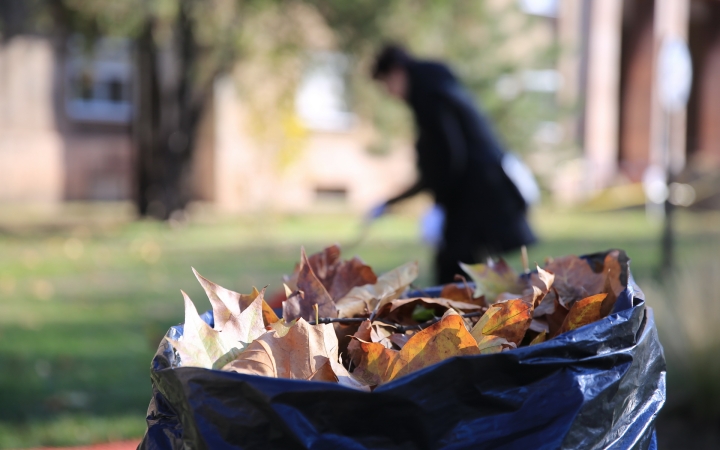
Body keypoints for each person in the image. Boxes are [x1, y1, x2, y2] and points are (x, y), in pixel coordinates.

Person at [368, 44, 536, 284]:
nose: (390, 93)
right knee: (472, 269)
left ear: (396, 73)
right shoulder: (439, 89)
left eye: (386, 84)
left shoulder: (429, 95)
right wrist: (392, 202)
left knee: (455, 268)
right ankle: (495, 312)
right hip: (475, 188)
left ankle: (485, 315)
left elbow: (449, 155)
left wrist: (439, 203)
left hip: (473, 192)